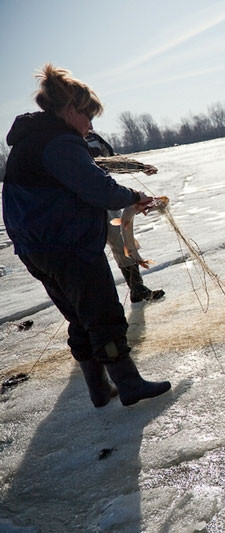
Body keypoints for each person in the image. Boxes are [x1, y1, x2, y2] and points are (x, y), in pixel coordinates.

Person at [2, 64, 171, 407]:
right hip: (67, 243)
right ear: (69, 110)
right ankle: (129, 384)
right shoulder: (59, 141)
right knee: (102, 313)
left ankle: (98, 389)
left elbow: (73, 188)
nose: (90, 126)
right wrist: (132, 197)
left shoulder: (32, 140)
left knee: (79, 317)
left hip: (36, 246)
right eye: (88, 116)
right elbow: (97, 188)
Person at [85, 130, 165, 303]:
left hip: (105, 198)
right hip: (79, 206)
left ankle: (137, 288)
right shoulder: (64, 142)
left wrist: (139, 166)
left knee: (121, 241)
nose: (88, 123)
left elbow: (112, 160)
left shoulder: (93, 138)